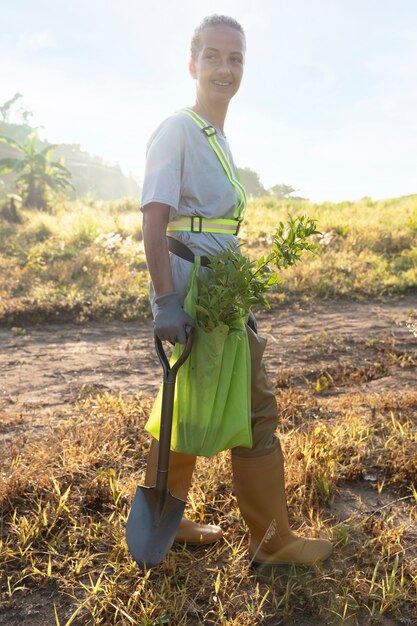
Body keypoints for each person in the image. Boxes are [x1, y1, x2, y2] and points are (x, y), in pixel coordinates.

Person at [140, 14, 332, 566]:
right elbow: (154, 223)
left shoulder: (216, 137)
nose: (225, 68)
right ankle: (273, 542)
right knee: (257, 410)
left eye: (236, 58)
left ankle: (168, 519)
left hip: (223, 291)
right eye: (215, 56)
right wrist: (167, 302)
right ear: (192, 64)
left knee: (192, 404)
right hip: (196, 292)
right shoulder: (178, 127)